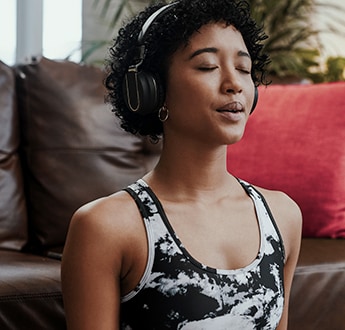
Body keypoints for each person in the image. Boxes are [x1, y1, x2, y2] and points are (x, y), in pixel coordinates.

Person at [60, 0, 302, 329]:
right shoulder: (106, 227)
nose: (234, 83)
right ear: (153, 91)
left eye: (244, 69)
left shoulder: (283, 215)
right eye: (207, 66)